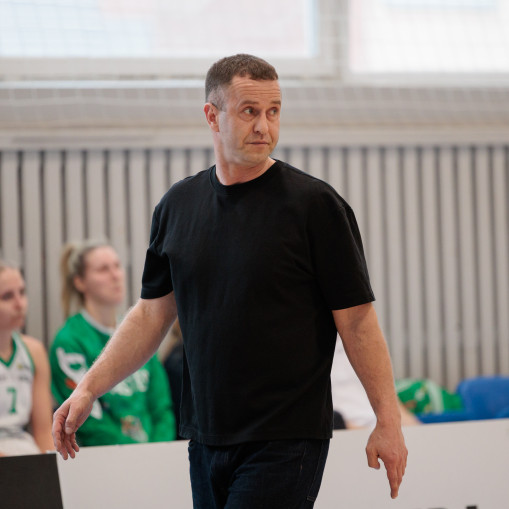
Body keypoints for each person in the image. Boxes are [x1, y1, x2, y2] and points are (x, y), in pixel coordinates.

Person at [53, 54, 407, 507]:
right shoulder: (177, 206)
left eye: (273, 111)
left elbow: (356, 321)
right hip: (205, 437)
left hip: (286, 437)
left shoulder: (315, 206)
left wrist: (387, 420)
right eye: (249, 111)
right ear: (212, 116)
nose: (264, 126)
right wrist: (88, 388)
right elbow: (150, 315)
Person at [50, 240, 176, 446]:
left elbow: (161, 407)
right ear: (80, 282)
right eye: (103, 269)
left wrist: (157, 448)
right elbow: (88, 423)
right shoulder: (69, 341)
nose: (115, 275)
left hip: (153, 451)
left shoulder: (139, 333)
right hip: (104, 455)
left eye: (117, 266)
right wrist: (136, 453)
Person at [0, 260, 54, 456]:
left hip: (23, 449)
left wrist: (51, 465)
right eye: (7, 296)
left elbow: (44, 432)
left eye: (22, 293)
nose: (19, 304)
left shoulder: (34, 351)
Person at [331, 339, 421, 429]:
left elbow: (389, 398)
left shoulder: (367, 342)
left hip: (382, 425)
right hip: (347, 429)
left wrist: (416, 428)